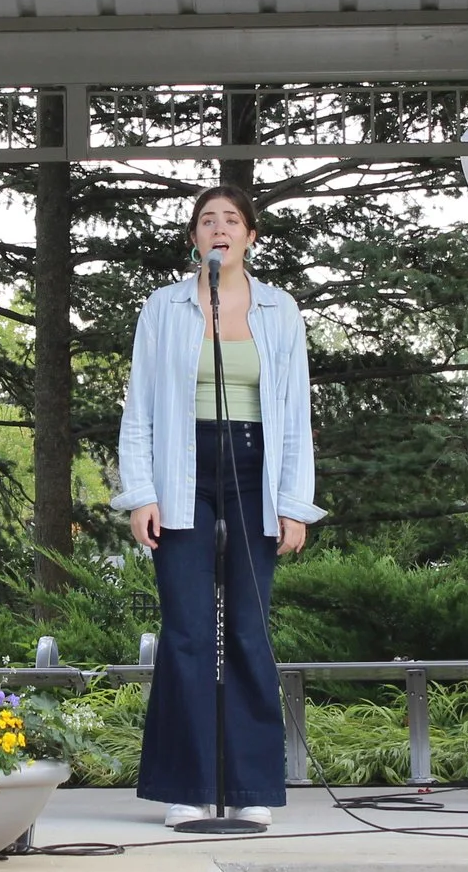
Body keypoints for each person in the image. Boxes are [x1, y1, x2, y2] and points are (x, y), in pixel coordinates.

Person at [116, 184, 323, 829]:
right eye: (208, 220)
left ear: (250, 236)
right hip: (182, 471)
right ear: (195, 239)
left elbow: (295, 412)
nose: (219, 229)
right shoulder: (164, 307)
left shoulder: (280, 309)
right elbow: (140, 407)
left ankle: (252, 787)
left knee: (249, 629)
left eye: (231, 220)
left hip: (254, 467)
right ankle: (189, 787)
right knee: (187, 630)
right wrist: (141, 494)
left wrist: (294, 503)